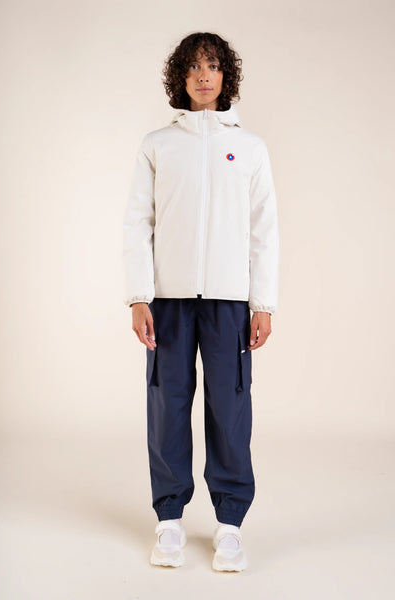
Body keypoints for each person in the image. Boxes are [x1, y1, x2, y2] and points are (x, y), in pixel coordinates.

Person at [122, 32, 279, 572]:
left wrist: (263, 304)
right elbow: (137, 223)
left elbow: (264, 230)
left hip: (229, 302)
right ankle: (169, 520)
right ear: (180, 78)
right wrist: (138, 296)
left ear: (225, 75)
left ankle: (230, 525)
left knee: (230, 410)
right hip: (167, 300)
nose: (203, 76)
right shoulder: (158, 145)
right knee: (167, 405)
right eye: (193, 67)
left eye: (212, 66)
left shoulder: (251, 148)